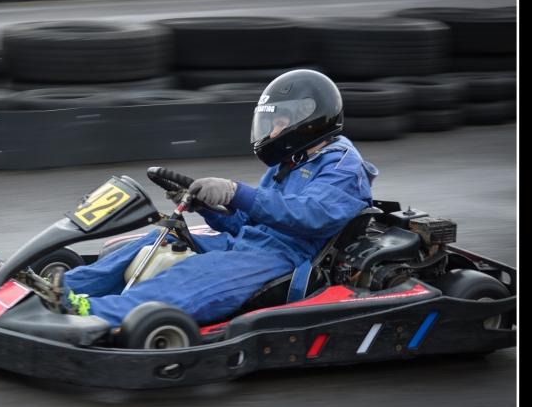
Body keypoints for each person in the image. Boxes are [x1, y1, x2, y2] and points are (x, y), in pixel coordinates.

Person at [34, 69, 378, 327]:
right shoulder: (290, 161)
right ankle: (55, 289)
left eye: (279, 122)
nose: (271, 131)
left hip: (286, 260)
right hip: (247, 245)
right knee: (160, 238)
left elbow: (310, 216)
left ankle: (89, 314)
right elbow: (253, 221)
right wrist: (211, 209)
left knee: (192, 274)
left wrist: (236, 191)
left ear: (308, 119)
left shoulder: (343, 167)